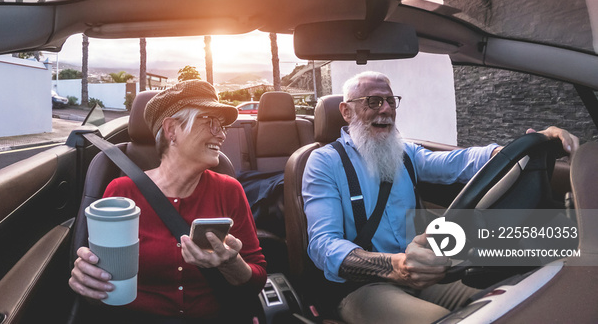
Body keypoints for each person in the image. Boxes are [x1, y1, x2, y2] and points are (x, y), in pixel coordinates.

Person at [302, 71, 579, 324]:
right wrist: (396, 266)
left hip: (428, 272)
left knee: (518, 299)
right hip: (365, 286)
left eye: (390, 101)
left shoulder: (405, 153)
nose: (386, 109)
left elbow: (459, 162)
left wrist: (526, 145)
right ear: (346, 111)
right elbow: (323, 245)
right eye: (373, 101)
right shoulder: (324, 162)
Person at [70, 79, 267, 323]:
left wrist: (231, 263)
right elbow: (101, 283)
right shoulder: (122, 191)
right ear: (172, 130)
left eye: (223, 125)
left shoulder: (229, 190)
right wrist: (88, 280)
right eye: (211, 122)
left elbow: (256, 278)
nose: (222, 134)